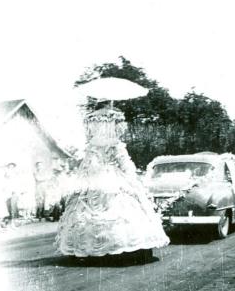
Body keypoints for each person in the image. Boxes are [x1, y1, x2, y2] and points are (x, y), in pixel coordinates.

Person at [55, 105, 169, 257]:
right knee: (124, 208)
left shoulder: (94, 146)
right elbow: (125, 165)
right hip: (112, 179)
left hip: (96, 180)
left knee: (92, 210)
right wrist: (133, 181)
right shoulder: (114, 145)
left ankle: (97, 247)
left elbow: (86, 167)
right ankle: (120, 248)